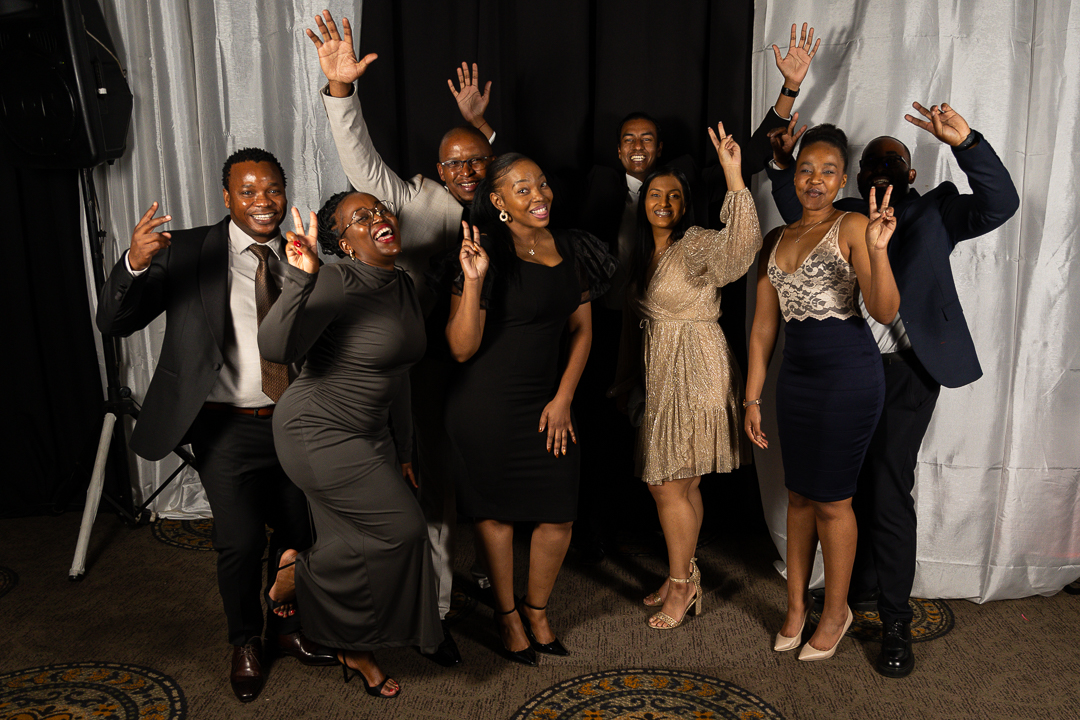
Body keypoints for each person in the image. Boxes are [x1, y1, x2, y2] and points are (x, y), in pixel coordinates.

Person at [766, 102, 1019, 676]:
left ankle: (896, 620)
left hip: (907, 368)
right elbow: (792, 205)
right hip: (846, 369)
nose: (883, 167)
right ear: (856, 177)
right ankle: (852, 594)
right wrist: (784, 164)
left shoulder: (936, 209)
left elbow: (1001, 203)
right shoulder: (844, 216)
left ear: (911, 173)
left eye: (894, 160)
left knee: (885, 484)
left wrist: (968, 143)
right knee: (841, 488)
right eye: (873, 162)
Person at [572, 22, 821, 562]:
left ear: (661, 149)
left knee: (672, 470)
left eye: (647, 139)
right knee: (616, 447)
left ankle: (679, 562)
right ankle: (611, 540)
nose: (638, 147)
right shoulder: (597, 187)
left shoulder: (683, 196)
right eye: (628, 139)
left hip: (685, 344)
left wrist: (788, 90)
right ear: (617, 150)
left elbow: (744, 157)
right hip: (617, 332)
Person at [95, 148, 337, 703]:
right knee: (240, 541)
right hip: (225, 426)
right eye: (247, 191)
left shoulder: (299, 255)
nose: (262, 201)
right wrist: (134, 263)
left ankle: (286, 629)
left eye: (272, 189)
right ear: (226, 197)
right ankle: (245, 641)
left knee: (299, 533)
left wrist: (314, 277)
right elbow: (114, 321)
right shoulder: (185, 251)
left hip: (293, 422)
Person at [307, 9, 499, 666]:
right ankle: (434, 613)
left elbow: (513, 170)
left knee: (482, 477)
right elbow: (359, 156)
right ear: (439, 170)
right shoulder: (412, 201)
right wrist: (341, 90)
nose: (466, 170)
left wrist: (482, 130)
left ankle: (480, 578)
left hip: (496, 366)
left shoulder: (509, 197)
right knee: (430, 485)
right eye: (455, 162)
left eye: (476, 159)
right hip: (425, 366)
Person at [258, 193, 442, 699]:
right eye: (361, 217)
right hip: (317, 428)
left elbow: (398, 375)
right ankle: (298, 573)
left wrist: (404, 449)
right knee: (404, 531)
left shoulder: (402, 283)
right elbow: (274, 349)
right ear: (344, 243)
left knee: (354, 541)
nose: (379, 218)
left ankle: (354, 649)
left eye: (380, 209)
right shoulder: (337, 279)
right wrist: (302, 278)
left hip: (370, 432)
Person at [445, 153, 614, 665]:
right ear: (497, 200)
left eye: (541, 184)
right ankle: (506, 615)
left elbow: (582, 331)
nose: (539, 196)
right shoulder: (483, 251)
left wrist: (563, 398)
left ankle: (536, 610)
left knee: (559, 516)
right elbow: (461, 349)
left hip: (549, 401)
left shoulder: (573, 246)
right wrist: (474, 281)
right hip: (487, 406)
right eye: (523, 189)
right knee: (495, 514)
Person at [745, 124, 900, 662]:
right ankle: (795, 606)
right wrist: (752, 398)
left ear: (842, 179)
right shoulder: (774, 240)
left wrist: (878, 251)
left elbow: (884, 310)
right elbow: (763, 328)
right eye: (806, 169)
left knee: (833, 501)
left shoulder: (853, 225)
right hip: (797, 383)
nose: (814, 180)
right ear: (794, 174)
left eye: (827, 171)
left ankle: (836, 611)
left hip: (848, 379)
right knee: (797, 497)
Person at [616, 123, 763, 630]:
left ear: (685, 205)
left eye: (674, 195)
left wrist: (733, 175)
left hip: (698, 370)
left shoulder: (695, 244)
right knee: (684, 483)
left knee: (666, 484)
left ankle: (682, 584)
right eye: (655, 194)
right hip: (662, 376)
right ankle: (685, 572)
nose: (663, 202)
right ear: (644, 202)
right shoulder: (644, 254)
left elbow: (741, 247)